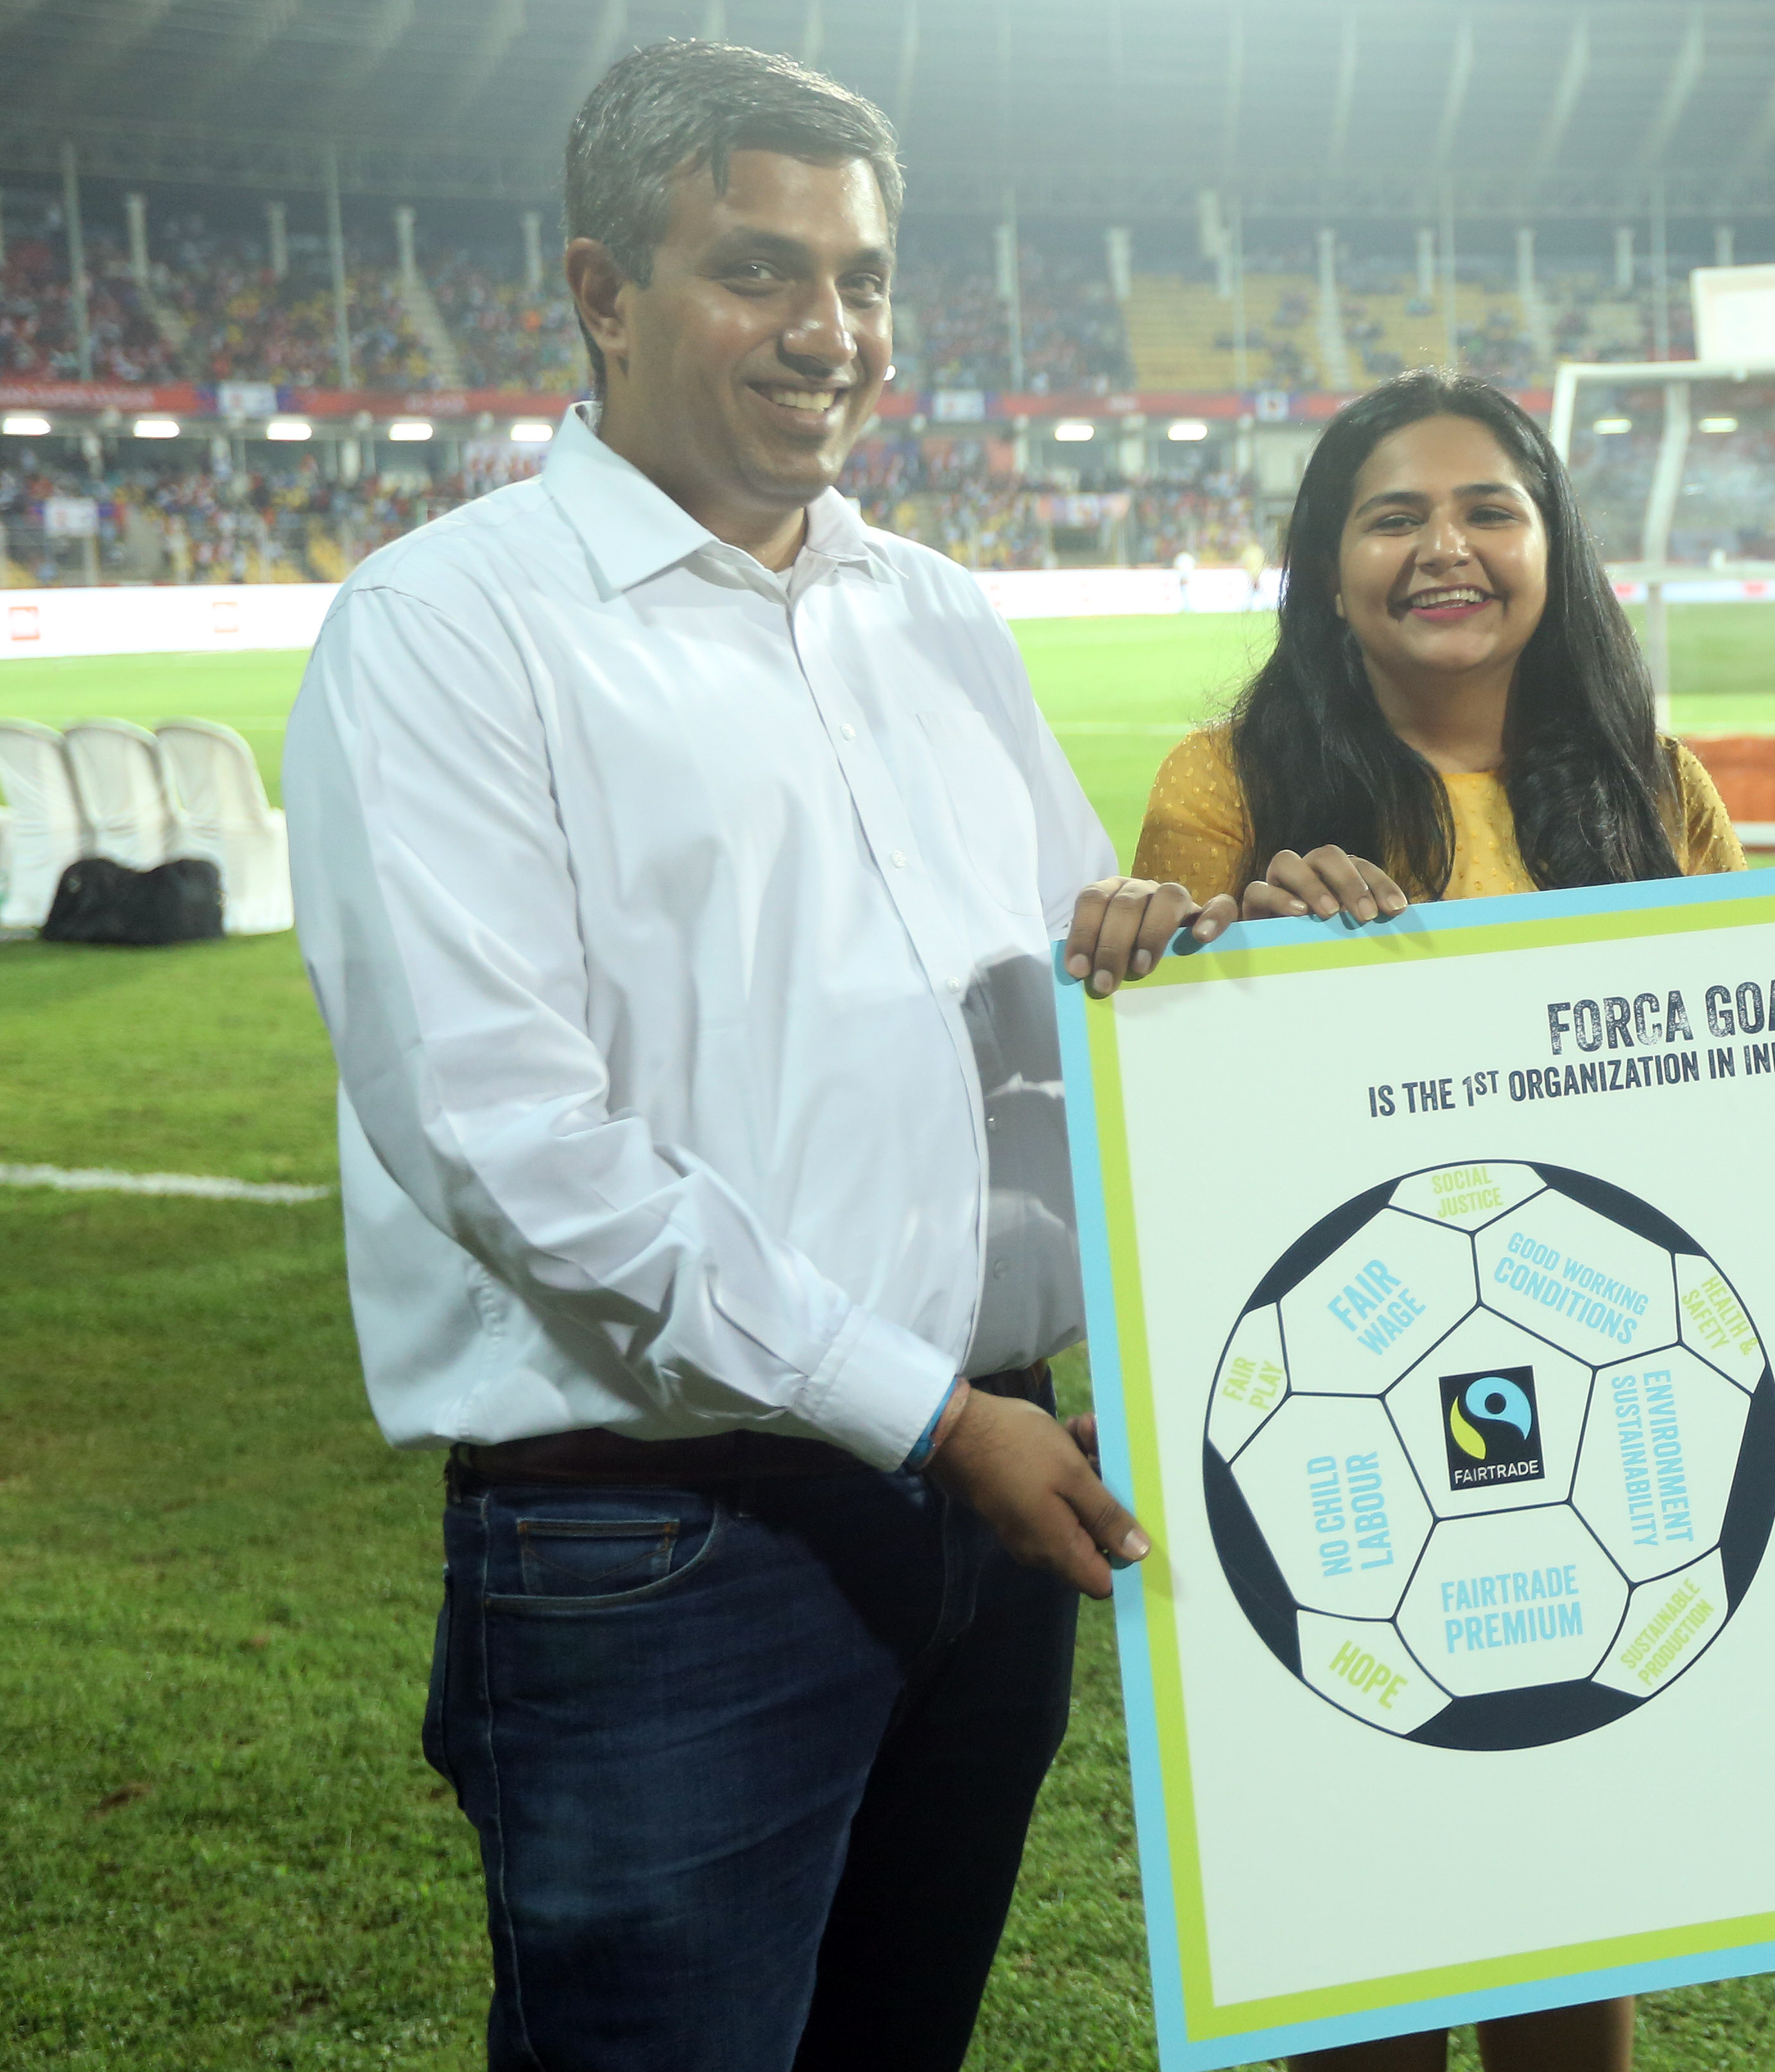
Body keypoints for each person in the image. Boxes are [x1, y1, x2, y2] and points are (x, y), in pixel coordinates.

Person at [284, 42, 1161, 2071]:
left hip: (992, 1516)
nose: (830, 332)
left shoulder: (935, 612)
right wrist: (931, 1415)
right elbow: (506, 1139)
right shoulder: (448, 631)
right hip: (667, 1543)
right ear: (601, 291)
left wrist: (1233, 952)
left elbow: (1057, 1017)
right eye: (761, 272)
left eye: (861, 278)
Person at [1121, 367, 1743, 2072]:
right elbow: (1184, 1114)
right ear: (1328, 569)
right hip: (1349, 1450)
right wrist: (1238, 936)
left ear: (1554, 552)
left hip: (1615, 1439)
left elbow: (1742, 1122)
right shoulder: (1227, 782)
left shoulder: (1655, 788)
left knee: (1573, 1940)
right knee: (1363, 1960)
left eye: (1488, 508)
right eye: (1392, 515)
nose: (1444, 547)